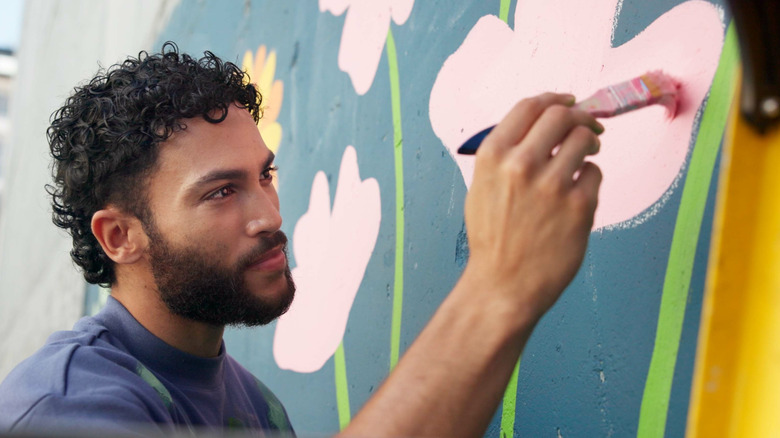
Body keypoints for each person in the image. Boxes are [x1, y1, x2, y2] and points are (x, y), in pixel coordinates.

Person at [0, 42, 603, 437]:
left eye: (265, 175)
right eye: (219, 193)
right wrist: (498, 284)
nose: (267, 215)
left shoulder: (259, 409)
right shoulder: (65, 404)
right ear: (120, 236)